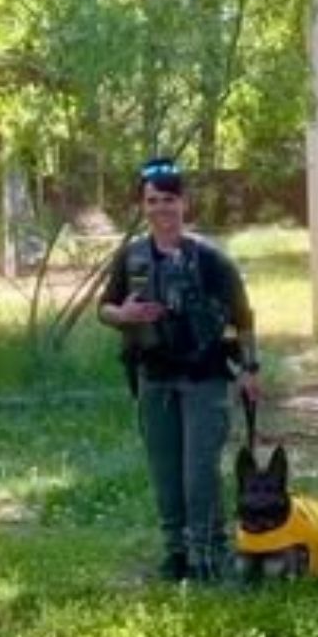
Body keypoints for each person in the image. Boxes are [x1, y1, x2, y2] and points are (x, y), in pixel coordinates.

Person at [94, 158, 262, 583]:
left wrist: (250, 369)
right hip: (153, 378)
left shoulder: (211, 260)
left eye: (169, 199)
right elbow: (105, 309)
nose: (161, 209)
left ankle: (209, 554)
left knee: (199, 474)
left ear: (184, 203)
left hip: (204, 379)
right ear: (143, 206)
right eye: (152, 201)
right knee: (165, 473)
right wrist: (124, 315)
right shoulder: (131, 257)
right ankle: (177, 554)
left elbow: (243, 317)